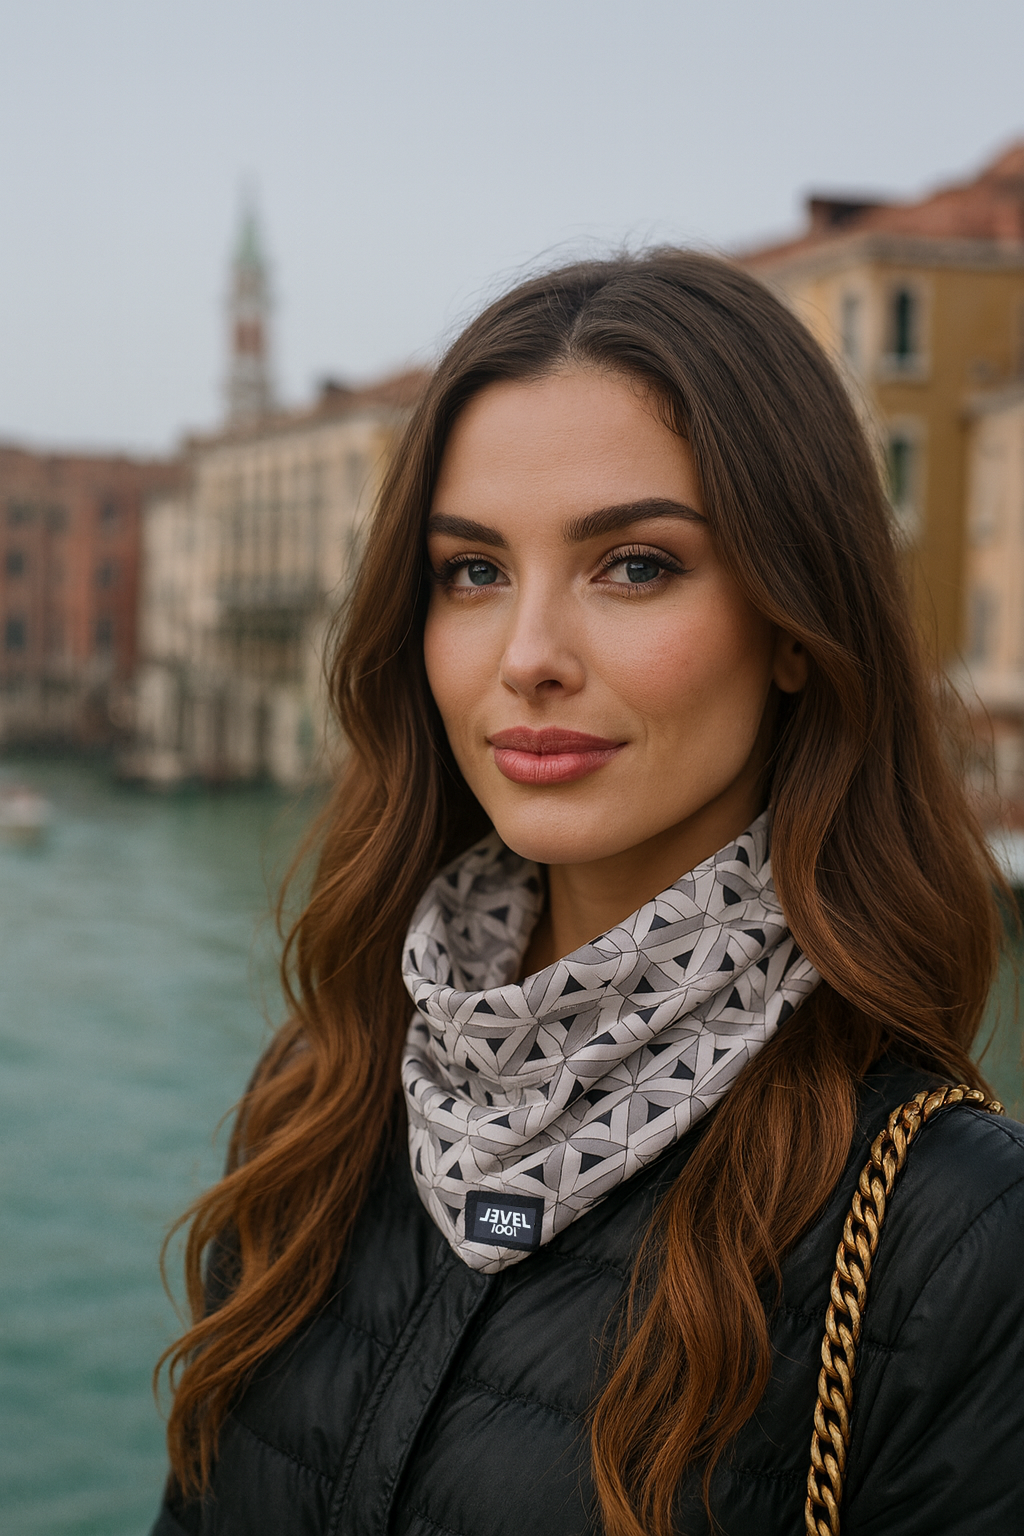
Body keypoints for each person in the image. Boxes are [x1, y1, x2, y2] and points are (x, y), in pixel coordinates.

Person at [152, 251, 1024, 1536]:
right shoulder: (315, 1101)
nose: (527, 658)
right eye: (473, 571)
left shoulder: (955, 1238)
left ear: (795, 624)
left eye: (634, 565)